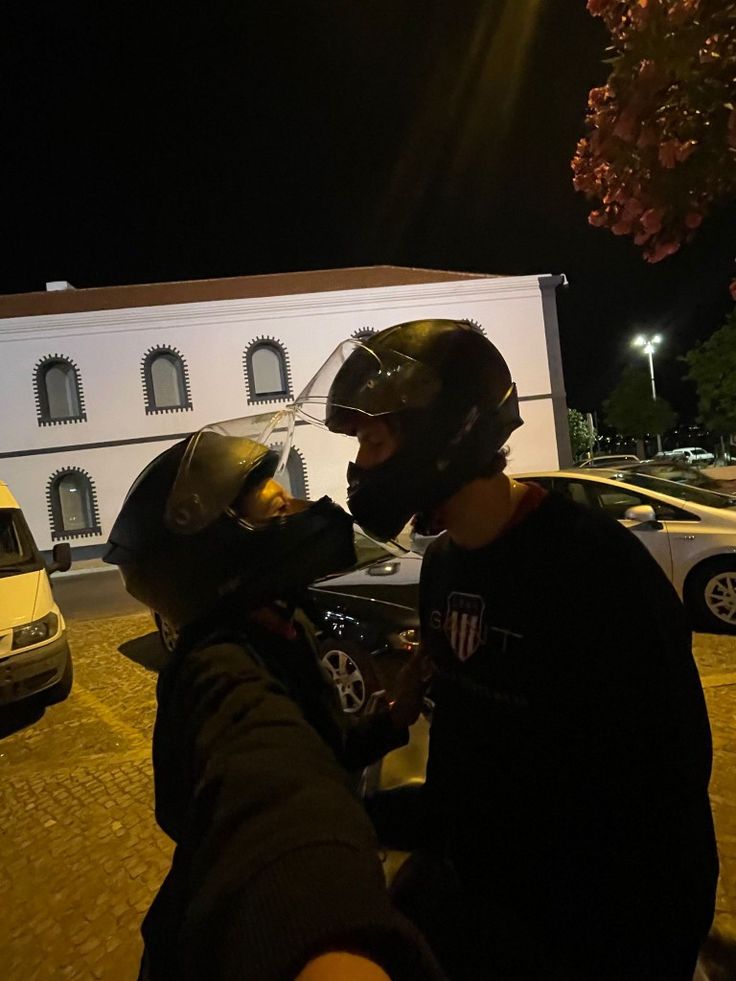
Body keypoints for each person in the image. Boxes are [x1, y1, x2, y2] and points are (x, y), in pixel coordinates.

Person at [298, 318, 719, 981]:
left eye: (373, 441)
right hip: (493, 911)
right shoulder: (443, 568)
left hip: (600, 930)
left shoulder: (596, 566)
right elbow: (473, 771)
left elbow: (666, 782)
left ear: (447, 433)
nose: (359, 466)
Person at [104, 423, 442, 981]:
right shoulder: (217, 668)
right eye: (279, 506)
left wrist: (393, 713)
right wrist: (325, 923)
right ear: (223, 551)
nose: (307, 509)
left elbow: (320, 745)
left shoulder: (285, 624)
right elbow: (271, 780)